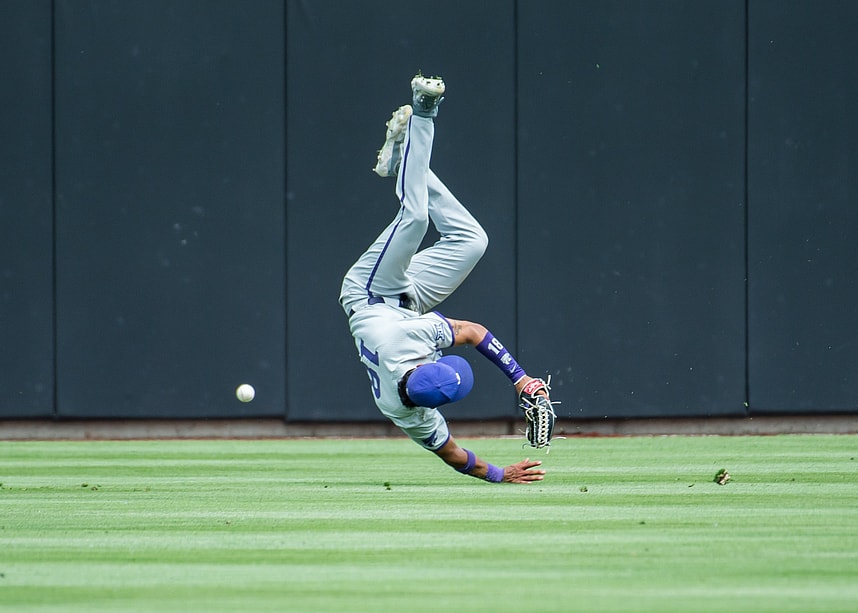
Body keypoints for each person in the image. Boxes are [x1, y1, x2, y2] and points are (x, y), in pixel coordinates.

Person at [339, 73, 547, 484]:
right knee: (472, 240)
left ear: (422, 367)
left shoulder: (408, 345)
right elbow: (454, 456)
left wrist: (519, 378)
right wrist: (499, 474)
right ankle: (403, 161)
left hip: (369, 293)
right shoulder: (409, 413)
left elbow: (471, 332)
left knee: (414, 218)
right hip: (407, 305)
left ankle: (423, 110)